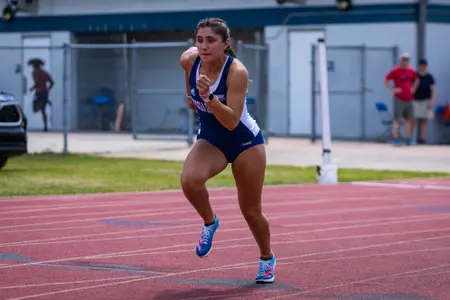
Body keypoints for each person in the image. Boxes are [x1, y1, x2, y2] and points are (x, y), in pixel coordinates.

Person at [179, 17, 276, 283]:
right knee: (189, 181)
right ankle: (210, 222)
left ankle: (267, 258)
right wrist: (197, 95)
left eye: (211, 40)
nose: (204, 46)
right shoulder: (189, 61)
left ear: (225, 44)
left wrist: (209, 96)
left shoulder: (237, 73)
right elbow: (190, 103)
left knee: (251, 211)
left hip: (244, 141)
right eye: (200, 40)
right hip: (211, 138)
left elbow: (232, 121)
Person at [384, 53, 417, 146]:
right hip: (399, 98)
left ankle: (408, 139)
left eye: (407, 60)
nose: (405, 61)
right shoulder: (395, 71)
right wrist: (393, 89)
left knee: (409, 120)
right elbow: (385, 80)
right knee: (397, 119)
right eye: (403, 60)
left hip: (409, 98)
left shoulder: (411, 71)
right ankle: (395, 138)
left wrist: (413, 88)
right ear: (400, 60)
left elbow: (417, 80)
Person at [412, 58, 436, 144]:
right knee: (413, 120)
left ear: (426, 66)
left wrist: (432, 101)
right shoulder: (415, 76)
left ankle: (423, 139)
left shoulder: (429, 77)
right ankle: (410, 138)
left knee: (424, 121)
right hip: (415, 100)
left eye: (423, 66)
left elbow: (433, 89)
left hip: (426, 100)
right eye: (420, 66)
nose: (422, 67)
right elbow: (412, 89)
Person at [29, 58, 54, 132]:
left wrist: (33, 88)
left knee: (35, 108)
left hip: (39, 92)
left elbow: (36, 81)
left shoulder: (35, 72)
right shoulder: (45, 72)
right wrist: (48, 89)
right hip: (45, 92)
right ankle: (45, 126)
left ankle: (42, 103)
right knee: (43, 111)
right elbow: (52, 82)